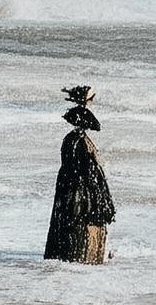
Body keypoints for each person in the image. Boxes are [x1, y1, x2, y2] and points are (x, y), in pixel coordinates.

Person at [44, 84, 115, 264]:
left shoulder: (71, 139)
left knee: (68, 220)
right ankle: (82, 255)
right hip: (81, 187)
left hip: (68, 185)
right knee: (79, 219)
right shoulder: (80, 141)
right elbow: (86, 168)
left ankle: (67, 254)